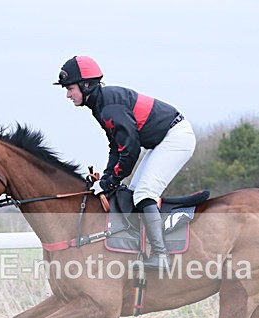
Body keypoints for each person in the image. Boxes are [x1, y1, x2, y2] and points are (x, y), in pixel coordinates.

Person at [54, 55, 196, 270]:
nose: (68, 95)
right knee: (134, 192)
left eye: (70, 88)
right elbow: (116, 147)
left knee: (144, 193)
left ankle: (161, 255)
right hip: (161, 140)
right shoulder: (100, 105)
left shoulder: (109, 106)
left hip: (175, 137)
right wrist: (106, 177)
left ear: (86, 85)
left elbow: (130, 151)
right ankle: (144, 248)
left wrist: (110, 181)